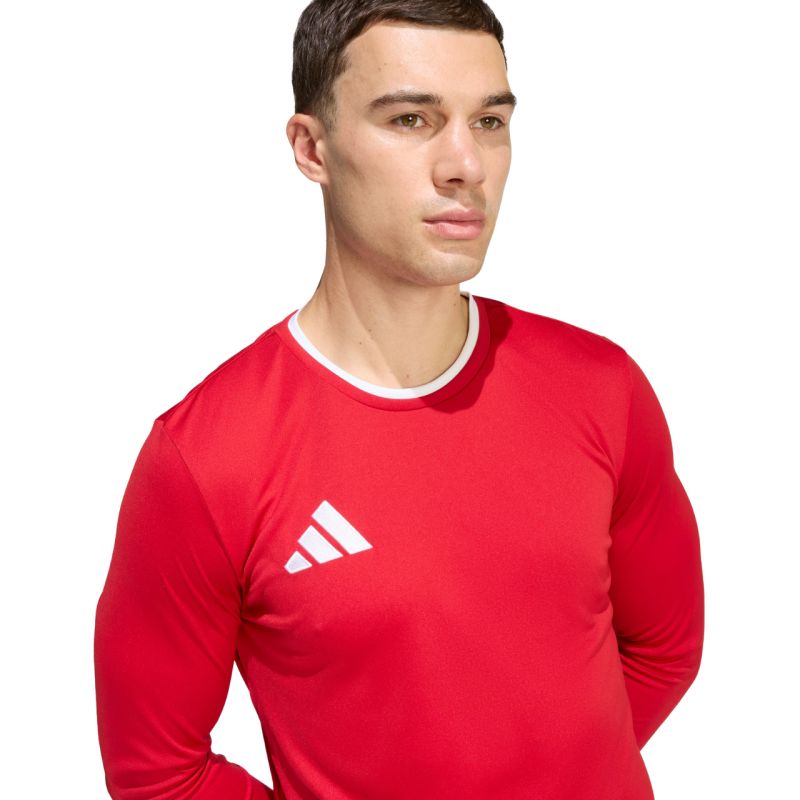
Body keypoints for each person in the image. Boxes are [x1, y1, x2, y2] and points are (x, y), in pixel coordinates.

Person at [93, 1, 705, 798]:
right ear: (311, 148)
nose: (466, 165)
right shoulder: (208, 459)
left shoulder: (601, 388)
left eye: (489, 121)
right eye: (412, 119)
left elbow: (663, 649)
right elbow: (158, 771)